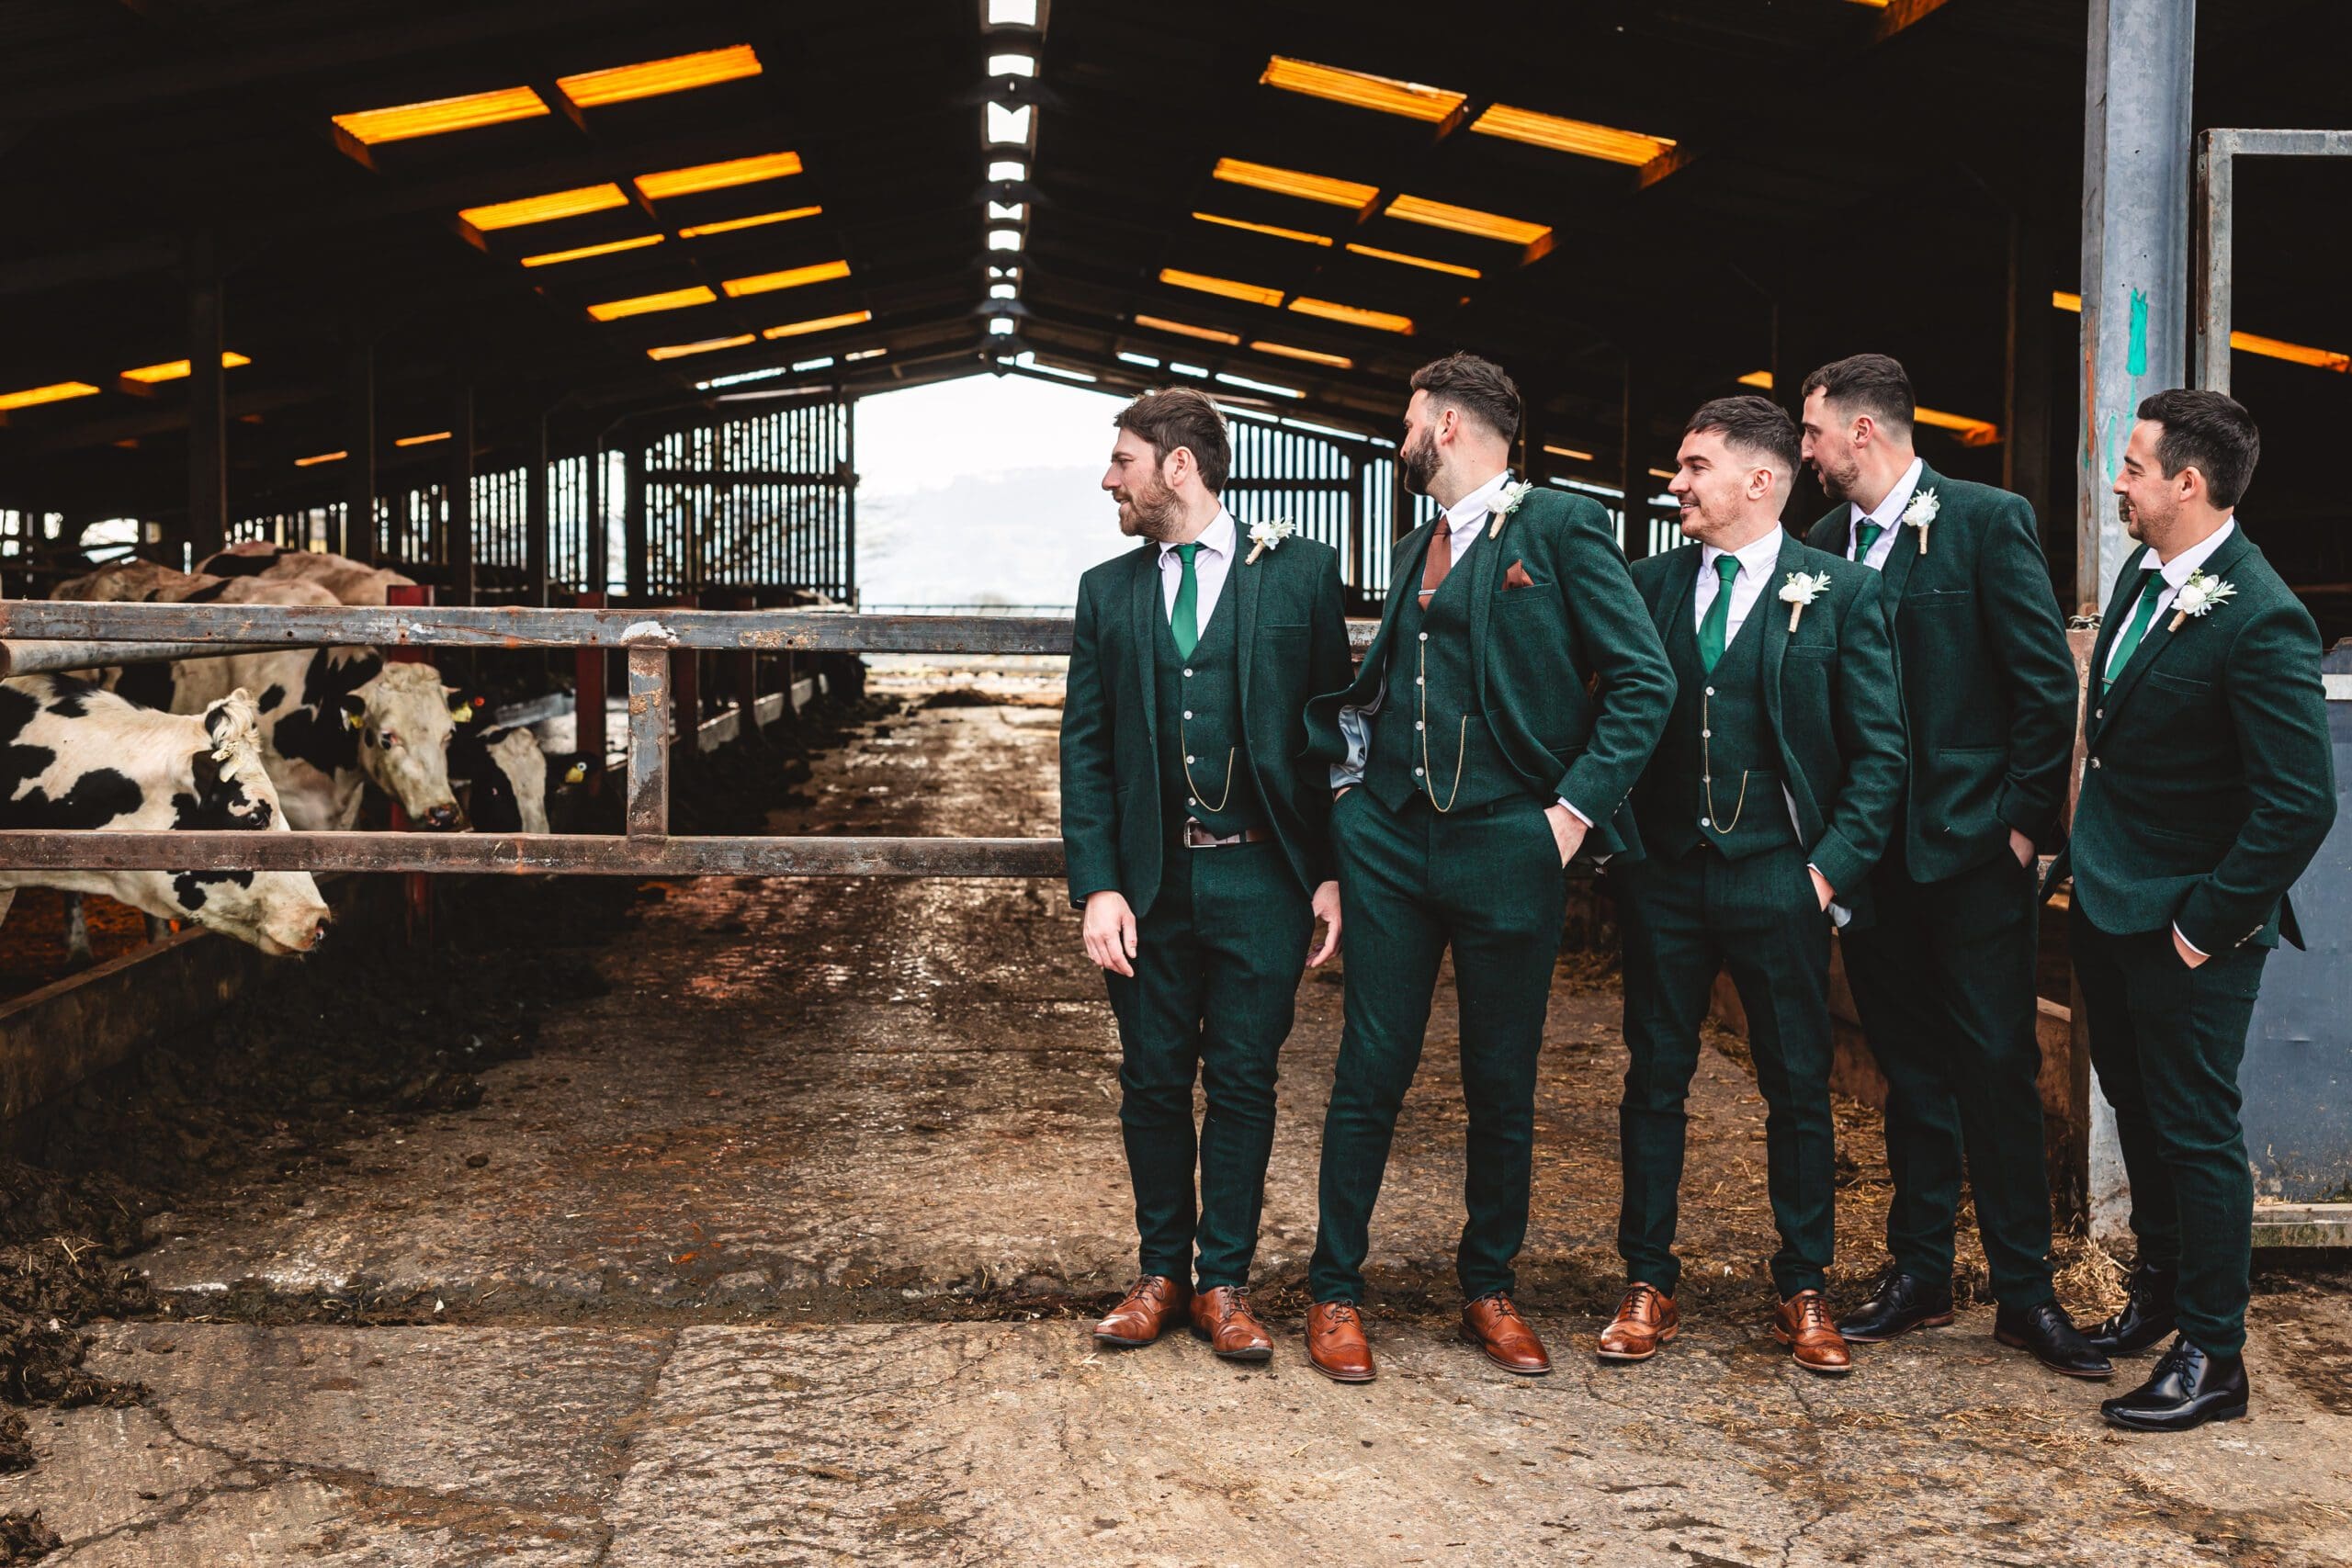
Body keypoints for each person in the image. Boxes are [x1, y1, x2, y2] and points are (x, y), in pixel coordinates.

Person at [1299, 353, 1675, 1382]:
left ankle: (1488, 1287)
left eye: (1409, 416)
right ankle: (1335, 1291)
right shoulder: (1416, 538)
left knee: (1499, 1077)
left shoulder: (1559, 529)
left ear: (1452, 425)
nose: (1401, 433)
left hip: (1511, 841)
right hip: (1390, 838)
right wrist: (1346, 795)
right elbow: (1388, 684)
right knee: (1370, 1068)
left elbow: (1643, 682)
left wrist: (1568, 815)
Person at [1797, 354, 2109, 1379]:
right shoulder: (1819, 548)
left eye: (1810, 433)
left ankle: (2024, 1291)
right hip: (1871, 865)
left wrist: (2021, 829)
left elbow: (2038, 682)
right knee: (1910, 1075)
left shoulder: (1982, 520)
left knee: (1996, 1068)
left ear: (1862, 433)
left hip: (1971, 855)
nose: (1801, 452)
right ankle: (1920, 1274)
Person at [1598, 395, 1905, 1374]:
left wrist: (1821, 877)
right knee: (1653, 1081)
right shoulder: (1641, 585)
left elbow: (1880, 757)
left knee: (1797, 1088)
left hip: (1779, 880)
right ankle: (1646, 1278)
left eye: (1694, 467)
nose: (1675, 483)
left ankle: (1801, 1284)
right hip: (1662, 880)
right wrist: (1616, 848)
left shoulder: (1842, 592)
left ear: (1759, 482)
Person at [2056, 389, 2335, 1431]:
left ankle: (2215, 1356)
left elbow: (2299, 802)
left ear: (2187, 481)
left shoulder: (2260, 616)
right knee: (2139, 1111)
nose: (2115, 482)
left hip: (2190, 929)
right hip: (2109, 900)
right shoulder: (2142, 574)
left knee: (2195, 1129)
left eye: (2130, 466)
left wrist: (2201, 924)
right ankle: (2159, 1297)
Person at [1059, 387, 1351, 1363]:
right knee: (1150, 1079)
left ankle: (1224, 1282)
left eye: (1123, 462)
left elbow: (1331, 737)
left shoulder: (1302, 574)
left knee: (1242, 1081)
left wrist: (1330, 872)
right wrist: (1098, 883)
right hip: (1147, 889)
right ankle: (1159, 1275)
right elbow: (1086, 749)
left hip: (1262, 879)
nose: (1110, 479)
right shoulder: (1108, 590)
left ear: (1177, 466)